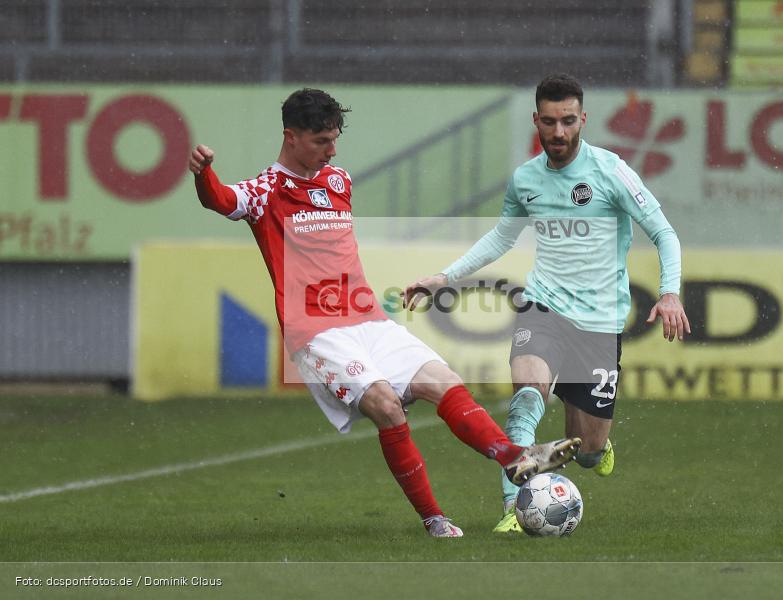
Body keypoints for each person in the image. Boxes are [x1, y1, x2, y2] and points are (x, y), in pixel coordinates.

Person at [187, 88, 581, 538]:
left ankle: (513, 457)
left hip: (368, 318)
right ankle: (434, 519)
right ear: (290, 137)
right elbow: (219, 199)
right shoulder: (265, 192)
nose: (331, 150)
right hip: (316, 332)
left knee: (444, 382)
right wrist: (205, 174)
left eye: (335, 140)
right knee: (386, 406)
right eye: (321, 141)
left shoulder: (339, 181)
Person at [403, 74, 690, 533]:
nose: (559, 133)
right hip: (543, 306)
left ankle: (597, 448)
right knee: (525, 399)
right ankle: (513, 509)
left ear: (583, 120)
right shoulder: (526, 179)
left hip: (598, 323)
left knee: (590, 450)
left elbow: (664, 233)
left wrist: (670, 291)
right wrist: (445, 276)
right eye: (551, 122)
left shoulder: (612, 172)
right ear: (537, 119)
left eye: (569, 122)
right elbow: (502, 236)